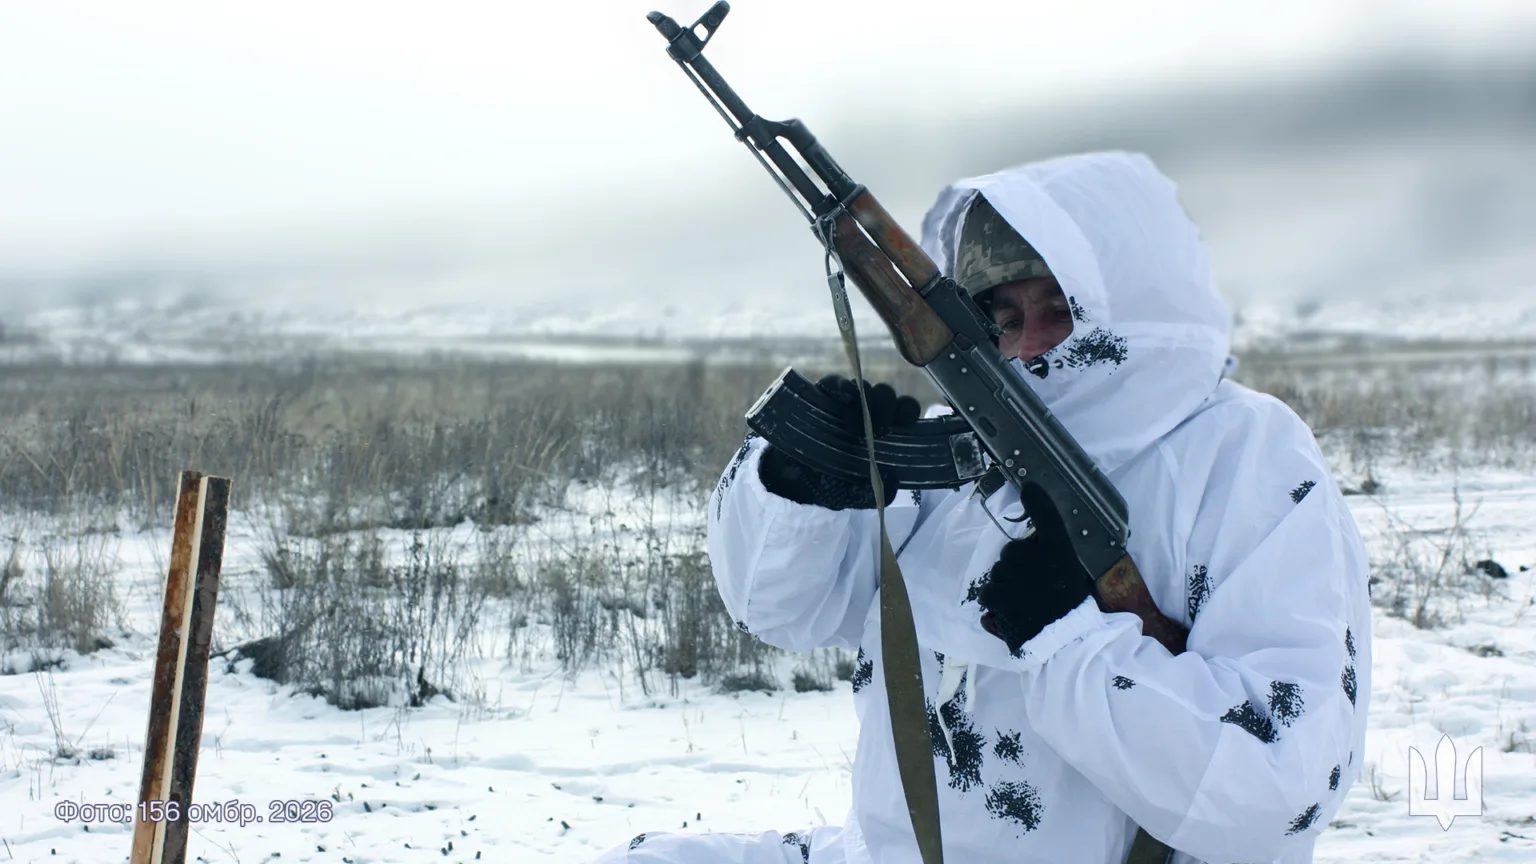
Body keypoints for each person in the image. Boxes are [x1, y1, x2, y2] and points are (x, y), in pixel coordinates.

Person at [596, 152, 1372, 864]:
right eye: (999, 314)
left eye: (1058, 307)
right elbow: (782, 611)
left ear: (1132, 304)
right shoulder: (961, 448)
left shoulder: (1244, 458)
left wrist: (1071, 641)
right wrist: (806, 490)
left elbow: (1280, 785)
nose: (1027, 344)